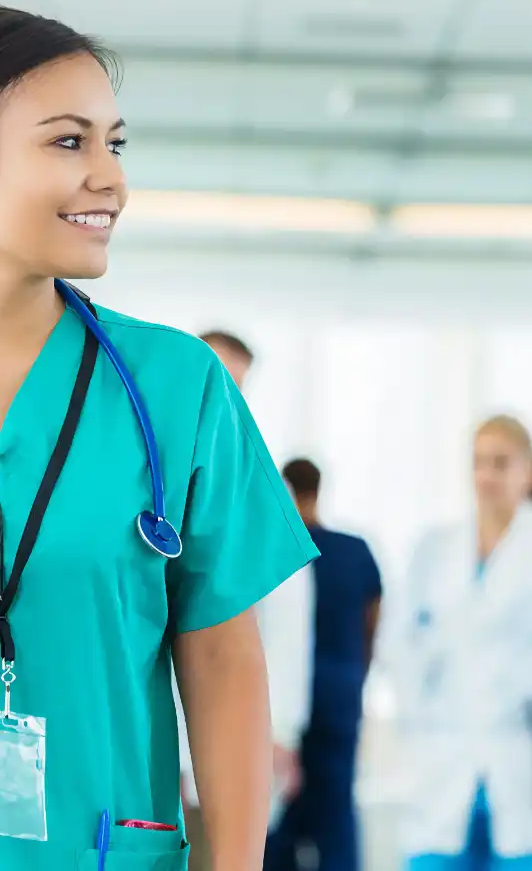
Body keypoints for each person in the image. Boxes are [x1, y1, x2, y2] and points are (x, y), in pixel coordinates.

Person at [0, 7, 318, 871]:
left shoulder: (174, 388)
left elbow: (220, 659)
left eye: (116, 144)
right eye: (69, 143)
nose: (111, 179)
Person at [395, 415, 532, 871]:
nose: (485, 476)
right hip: (445, 754)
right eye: (477, 463)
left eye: (500, 463)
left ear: (530, 472)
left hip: (529, 759)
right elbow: (402, 648)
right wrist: (412, 721)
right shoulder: (435, 551)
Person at [177, 331, 315, 871]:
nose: (222, 394)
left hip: (234, 730)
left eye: (235, 384)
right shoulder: (142, 472)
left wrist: (282, 734)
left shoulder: (259, 490)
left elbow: (288, 629)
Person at [264, 458, 383, 871]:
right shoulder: (354, 551)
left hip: (282, 705)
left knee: (276, 819)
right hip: (339, 696)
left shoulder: (277, 552)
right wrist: (357, 673)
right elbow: (374, 621)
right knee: (335, 817)